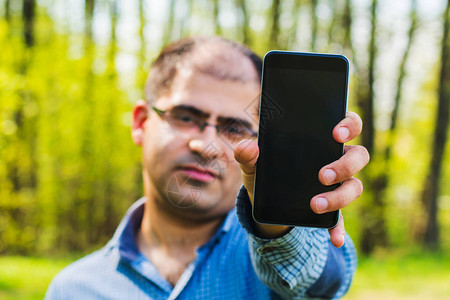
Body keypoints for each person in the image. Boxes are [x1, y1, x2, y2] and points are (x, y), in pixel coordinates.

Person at [45, 36, 369, 299]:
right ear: (141, 122)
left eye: (235, 128)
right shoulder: (73, 290)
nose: (207, 145)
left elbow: (321, 281)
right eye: (186, 118)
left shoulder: (268, 267)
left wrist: (278, 224)